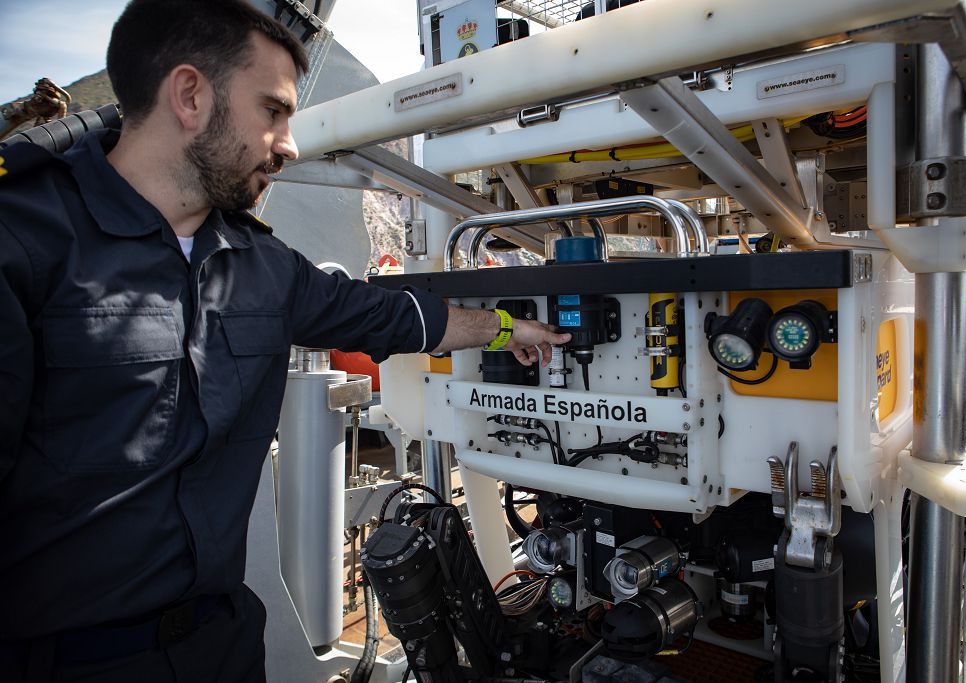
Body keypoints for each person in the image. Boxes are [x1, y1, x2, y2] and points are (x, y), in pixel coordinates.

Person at [0, 1, 569, 681]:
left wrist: (510, 328)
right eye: (273, 112)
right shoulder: (25, 241)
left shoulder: (263, 266)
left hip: (226, 647)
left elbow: (387, 317)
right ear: (190, 96)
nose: (290, 144)